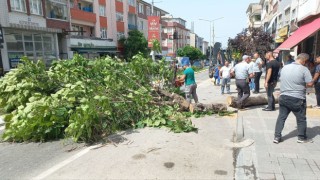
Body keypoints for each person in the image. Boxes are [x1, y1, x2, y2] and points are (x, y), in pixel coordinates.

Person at [273, 53, 314, 144]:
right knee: (301, 119)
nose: (306, 64)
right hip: (297, 98)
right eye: (306, 62)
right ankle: (301, 138)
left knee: (281, 117)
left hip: (283, 97)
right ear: (304, 61)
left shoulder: (285, 67)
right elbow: (310, 83)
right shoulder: (304, 69)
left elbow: (282, 79)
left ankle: (277, 137)